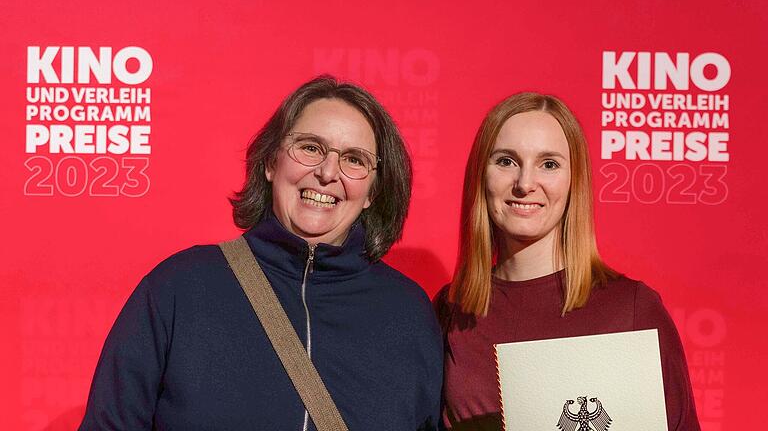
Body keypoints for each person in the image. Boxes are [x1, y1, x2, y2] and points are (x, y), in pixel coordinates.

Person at [79, 76, 442, 430]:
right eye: (311, 148)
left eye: (354, 160)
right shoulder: (180, 288)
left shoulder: (408, 314)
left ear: (373, 192)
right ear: (271, 163)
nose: (328, 173)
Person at [434, 93, 700, 430]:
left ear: (575, 180)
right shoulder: (451, 309)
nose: (525, 183)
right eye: (506, 161)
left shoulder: (633, 309)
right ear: (480, 175)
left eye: (549, 164)